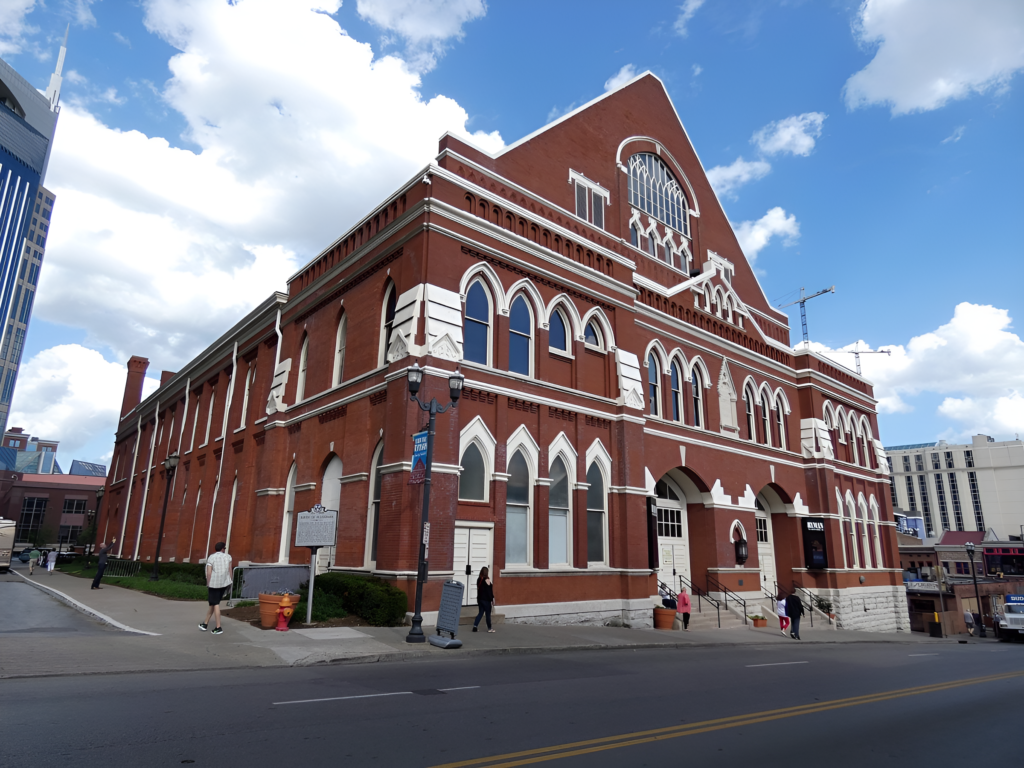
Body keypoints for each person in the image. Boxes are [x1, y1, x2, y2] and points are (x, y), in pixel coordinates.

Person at [199, 542, 232, 635]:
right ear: (222, 549)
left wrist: (208, 583)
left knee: (215, 603)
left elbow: (209, 572)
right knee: (213, 603)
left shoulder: (211, 557)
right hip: (224, 583)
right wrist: (230, 582)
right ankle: (205, 623)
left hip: (214, 583)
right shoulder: (228, 557)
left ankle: (218, 627)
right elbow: (230, 570)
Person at [472, 566, 496, 633]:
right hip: (486, 600)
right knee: (488, 614)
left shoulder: (479, 580)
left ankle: (475, 626)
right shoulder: (487, 580)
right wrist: (492, 599)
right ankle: (489, 628)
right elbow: (489, 592)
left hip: (480, 599)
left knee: (480, 613)